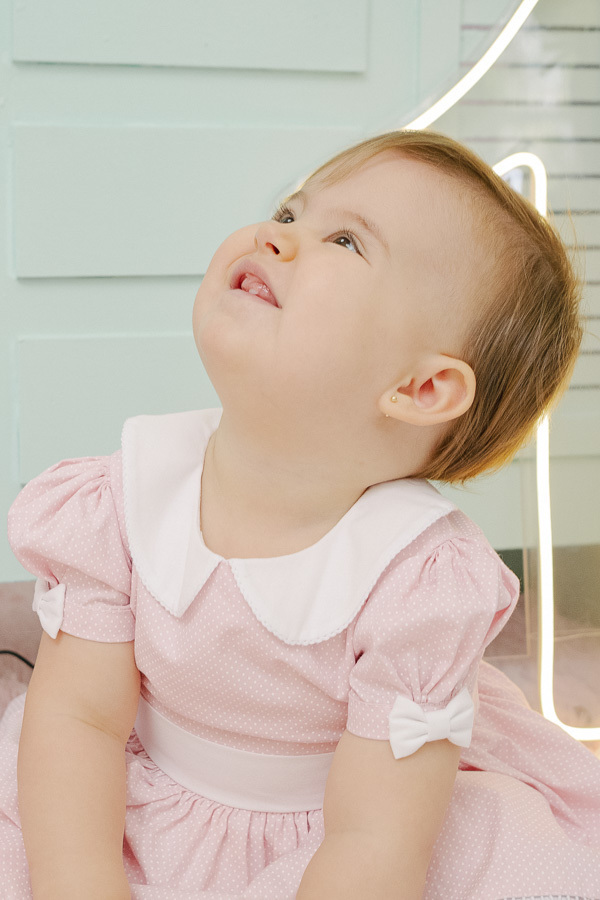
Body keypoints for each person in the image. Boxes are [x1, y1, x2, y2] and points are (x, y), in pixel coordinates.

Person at [1, 129, 599, 900]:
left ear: (420, 390)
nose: (277, 237)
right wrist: (79, 884)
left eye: (345, 241)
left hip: (342, 833)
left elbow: (374, 843)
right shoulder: (124, 501)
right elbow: (79, 720)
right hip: (121, 796)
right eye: (290, 211)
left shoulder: (417, 585)